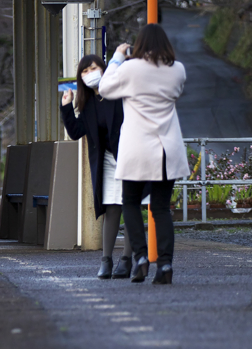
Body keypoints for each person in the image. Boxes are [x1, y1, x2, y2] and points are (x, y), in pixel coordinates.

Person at [99, 24, 188, 284]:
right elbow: (177, 93)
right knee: (161, 208)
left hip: (137, 147)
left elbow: (104, 88)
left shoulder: (130, 68)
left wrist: (117, 57)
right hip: (166, 148)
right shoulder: (178, 69)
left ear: (139, 45)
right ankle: (166, 264)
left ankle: (139, 257)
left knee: (130, 203)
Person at [61, 54, 131, 279]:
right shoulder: (87, 103)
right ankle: (106, 260)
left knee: (128, 206)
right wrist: (66, 107)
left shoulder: (119, 94)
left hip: (128, 156)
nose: (90, 73)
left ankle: (127, 259)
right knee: (111, 208)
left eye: (94, 68)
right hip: (107, 160)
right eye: (85, 71)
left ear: (104, 69)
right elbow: (75, 132)